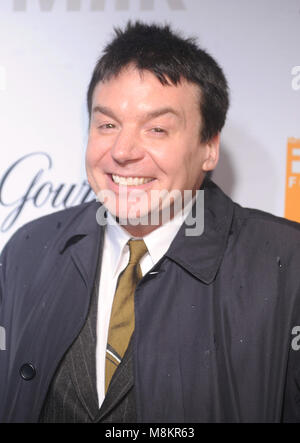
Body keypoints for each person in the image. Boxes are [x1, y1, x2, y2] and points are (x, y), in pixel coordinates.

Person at [0, 21, 300, 424]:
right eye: (107, 124)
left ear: (208, 148)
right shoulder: (29, 249)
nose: (123, 151)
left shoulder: (286, 265)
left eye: (156, 129)